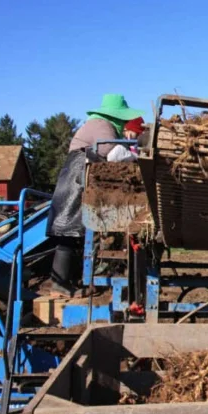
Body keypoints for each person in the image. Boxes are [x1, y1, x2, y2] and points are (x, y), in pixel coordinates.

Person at [46, 94, 144, 298]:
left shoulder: (100, 124)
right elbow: (114, 154)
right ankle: (60, 283)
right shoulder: (102, 125)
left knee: (72, 234)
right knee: (68, 233)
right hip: (77, 178)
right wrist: (139, 158)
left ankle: (65, 282)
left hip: (79, 176)